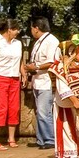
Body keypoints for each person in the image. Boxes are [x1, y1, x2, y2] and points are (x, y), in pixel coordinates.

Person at [0, 19, 24, 150]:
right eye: (16, 29)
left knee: (14, 107)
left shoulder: (18, 43)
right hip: (0, 76)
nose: (17, 32)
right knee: (0, 108)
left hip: (14, 78)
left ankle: (11, 138)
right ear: (9, 30)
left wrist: (23, 73)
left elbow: (20, 60)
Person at [23, 17, 61, 150]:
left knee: (45, 112)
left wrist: (36, 67)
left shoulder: (51, 41)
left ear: (36, 28)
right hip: (38, 81)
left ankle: (49, 139)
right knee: (40, 112)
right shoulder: (39, 42)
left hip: (46, 81)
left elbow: (52, 62)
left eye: (31, 29)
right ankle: (41, 139)